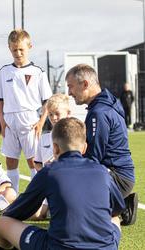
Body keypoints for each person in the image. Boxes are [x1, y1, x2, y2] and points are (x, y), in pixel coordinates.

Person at [0, 117, 125, 250]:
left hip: (59, 246)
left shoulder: (49, 172)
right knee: (114, 218)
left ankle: (4, 243)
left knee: (0, 223)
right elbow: (118, 208)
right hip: (106, 247)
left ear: (55, 148)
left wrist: (4, 214)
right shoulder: (102, 171)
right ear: (84, 148)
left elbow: (18, 211)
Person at [66, 64, 138, 226]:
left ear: (85, 84)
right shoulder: (109, 101)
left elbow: (93, 158)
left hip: (116, 177)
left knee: (73, 213)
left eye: (71, 86)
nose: (69, 93)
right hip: (121, 175)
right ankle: (119, 202)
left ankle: (117, 206)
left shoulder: (99, 113)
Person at [0, 29, 52, 193]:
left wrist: (41, 122)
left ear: (29, 47)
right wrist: (2, 122)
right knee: (11, 162)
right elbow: (0, 100)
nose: (18, 53)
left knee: (34, 162)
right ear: (9, 48)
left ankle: (37, 198)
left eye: (21, 49)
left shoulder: (38, 72)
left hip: (30, 121)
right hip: (9, 121)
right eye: (14, 49)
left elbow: (47, 100)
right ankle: (12, 198)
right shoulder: (4, 71)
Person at [32, 93, 70, 221]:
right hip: (49, 185)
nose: (53, 118)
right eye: (50, 114)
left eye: (57, 114)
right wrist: (44, 170)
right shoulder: (44, 139)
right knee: (35, 215)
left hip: (68, 185)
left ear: (68, 113)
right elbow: (37, 163)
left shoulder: (74, 137)